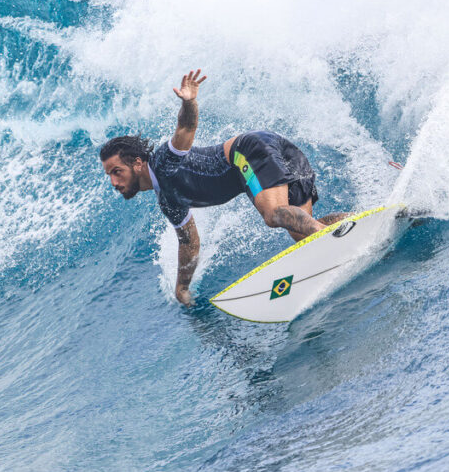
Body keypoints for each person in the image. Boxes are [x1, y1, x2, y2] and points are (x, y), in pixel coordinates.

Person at [99, 70, 348, 305]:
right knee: (300, 232)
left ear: (138, 164)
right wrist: (181, 288)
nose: (114, 182)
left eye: (117, 172)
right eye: (110, 175)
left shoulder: (163, 161)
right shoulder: (167, 200)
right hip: (265, 150)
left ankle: (333, 239)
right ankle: (356, 222)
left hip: (249, 152)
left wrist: (188, 102)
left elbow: (186, 128)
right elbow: (189, 244)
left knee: (273, 214)